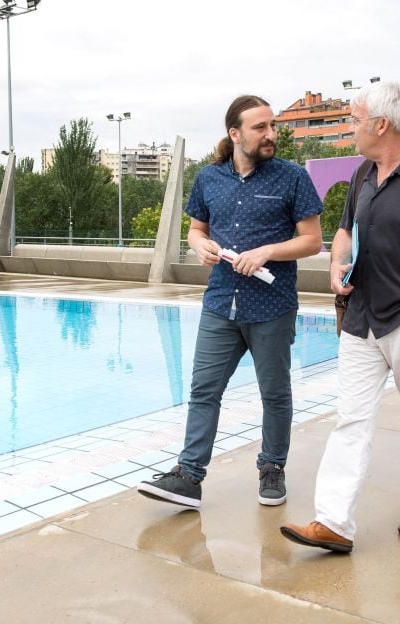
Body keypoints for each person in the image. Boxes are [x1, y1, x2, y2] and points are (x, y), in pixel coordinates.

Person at [137, 95, 323, 508]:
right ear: (235, 134)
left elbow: (312, 241)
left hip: (272, 306)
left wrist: (266, 252)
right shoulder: (208, 178)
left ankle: (272, 467)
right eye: (261, 128)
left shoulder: (292, 178)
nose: (271, 134)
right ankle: (188, 476)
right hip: (221, 303)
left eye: (273, 126)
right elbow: (196, 230)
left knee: (274, 394)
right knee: (204, 390)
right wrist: (201, 246)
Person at [281, 81, 400, 553]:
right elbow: (343, 232)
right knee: (350, 419)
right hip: (360, 319)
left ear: (382, 124)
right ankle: (333, 522)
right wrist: (338, 265)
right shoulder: (362, 174)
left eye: (355, 119)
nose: (352, 127)